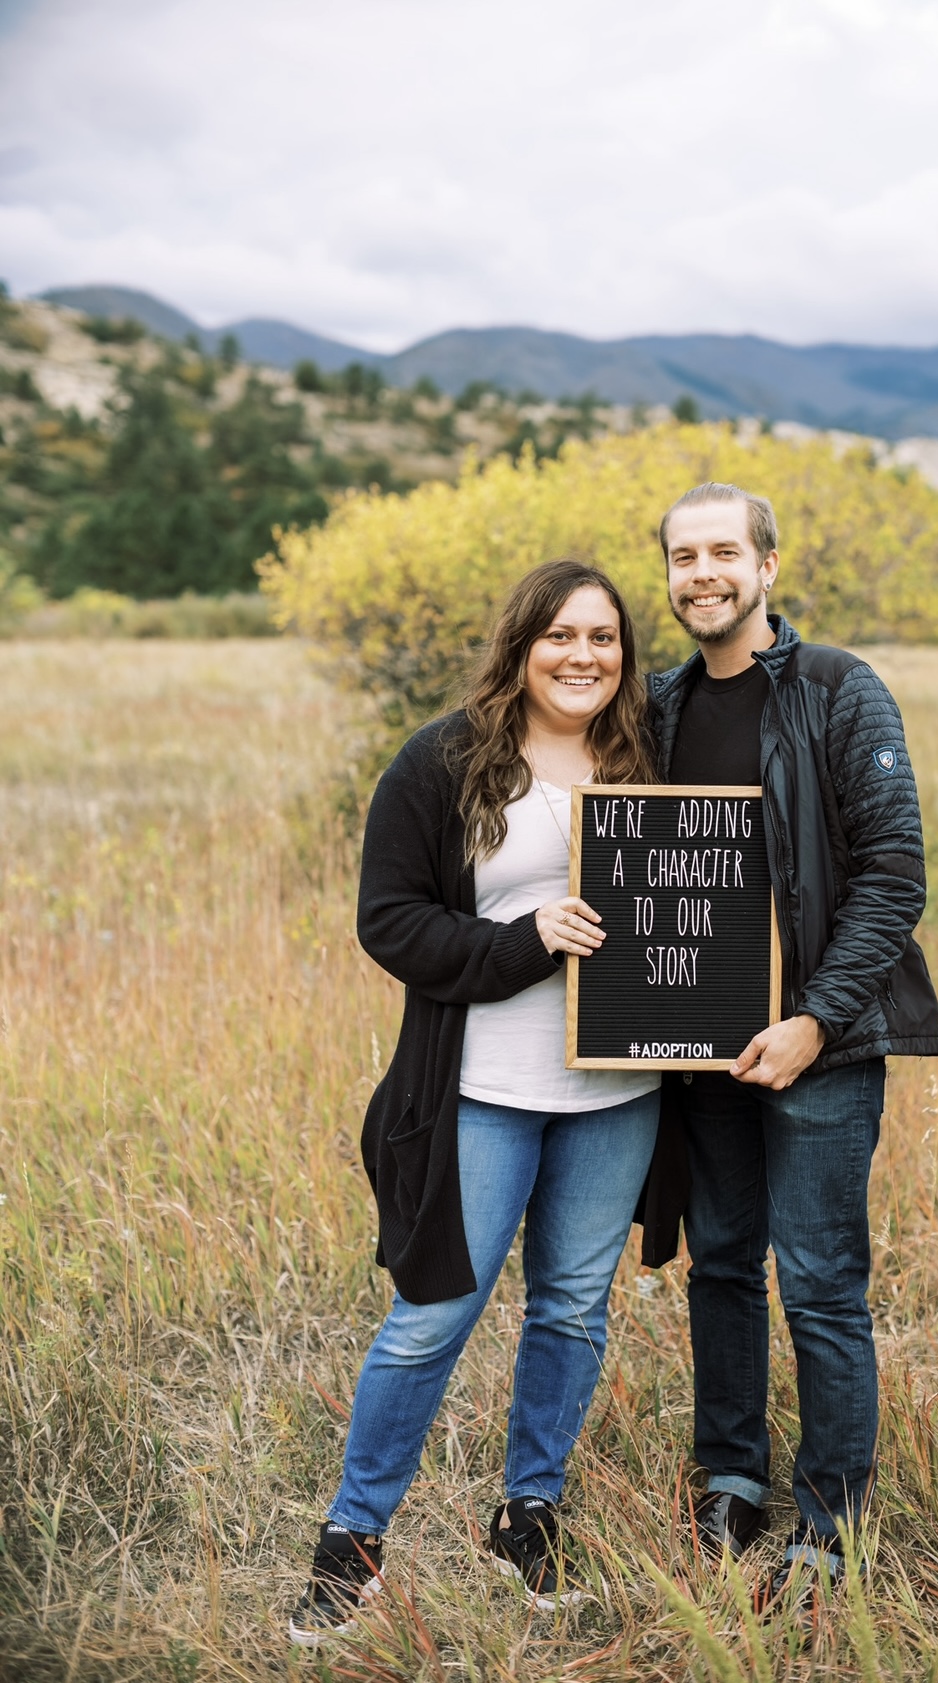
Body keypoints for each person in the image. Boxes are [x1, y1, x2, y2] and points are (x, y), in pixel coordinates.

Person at [288, 560, 661, 1645]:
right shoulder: (443, 761)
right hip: (482, 1090)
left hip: (619, 1092)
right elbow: (389, 920)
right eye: (560, 635)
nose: (583, 655)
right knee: (433, 1316)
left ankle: (528, 1518)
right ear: (520, 644)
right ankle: (353, 1543)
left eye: (603, 637)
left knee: (573, 1309)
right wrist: (523, 939)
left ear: (625, 653)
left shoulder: (651, 758)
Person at [649, 482, 938, 1607]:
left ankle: (830, 1518)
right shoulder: (659, 703)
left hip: (820, 1048)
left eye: (724, 552)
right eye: (684, 557)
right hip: (702, 1050)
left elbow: (894, 874)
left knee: (821, 1286)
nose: (704, 574)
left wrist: (814, 1021)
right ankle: (730, 1476)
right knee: (722, 1262)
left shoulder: (838, 689)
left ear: (767, 566)